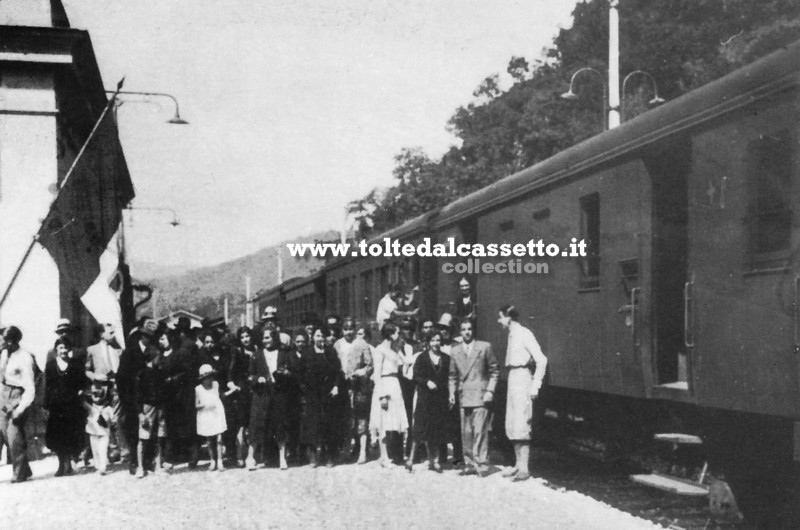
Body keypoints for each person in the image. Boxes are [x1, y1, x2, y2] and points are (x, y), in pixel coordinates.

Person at [498, 304, 547, 482]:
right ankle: (518, 465)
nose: (499, 321)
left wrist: (535, 386)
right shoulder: (511, 335)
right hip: (513, 377)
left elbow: (542, 360)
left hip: (523, 378)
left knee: (522, 422)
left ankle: (524, 468)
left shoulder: (524, 333)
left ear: (508, 318)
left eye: (500, 317)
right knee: (512, 422)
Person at [449, 320, 499, 477]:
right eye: (463, 329)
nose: (467, 332)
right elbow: (452, 376)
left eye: (469, 329)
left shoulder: (484, 347)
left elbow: (494, 370)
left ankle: (482, 463)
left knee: (480, 431)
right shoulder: (455, 351)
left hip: (480, 394)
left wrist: (490, 390)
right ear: (460, 332)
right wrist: (451, 392)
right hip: (464, 396)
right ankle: (470, 463)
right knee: (467, 432)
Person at [117, 318, 160, 474]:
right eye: (146, 336)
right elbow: (121, 378)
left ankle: (147, 461)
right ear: (141, 336)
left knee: (148, 430)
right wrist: (125, 399)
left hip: (148, 398)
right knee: (133, 430)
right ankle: (134, 461)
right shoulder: (129, 352)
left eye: (151, 337)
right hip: (131, 399)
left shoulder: (154, 352)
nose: (148, 339)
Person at [406, 331, 451, 473]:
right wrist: (426, 382)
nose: (436, 343)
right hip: (425, 398)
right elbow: (415, 376)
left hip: (439, 399)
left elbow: (449, 377)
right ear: (428, 342)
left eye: (438, 340)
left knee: (435, 430)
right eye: (433, 341)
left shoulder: (446, 358)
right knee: (419, 428)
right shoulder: (422, 357)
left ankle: (435, 461)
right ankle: (410, 459)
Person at [298, 326, 343, 467]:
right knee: (313, 424)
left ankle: (329, 455)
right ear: (313, 338)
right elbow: (301, 373)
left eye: (322, 336)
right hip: (313, 394)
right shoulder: (307, 353)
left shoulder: (330, 352)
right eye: (318, 336)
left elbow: (337, 372)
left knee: (328, 424)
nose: (320, 339)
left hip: (328, 393)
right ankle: (313, 456)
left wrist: (336, 386)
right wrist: (304, 390)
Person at [44, 336, 88, 477]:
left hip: (71, 404)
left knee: (70, 434)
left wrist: (80, 392)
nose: (63, 351)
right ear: (56, 350)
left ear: (69, 350)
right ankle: (60, 464)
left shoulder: (75, 364)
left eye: (66, 348)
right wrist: (45, 404)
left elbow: (82, 382)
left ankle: (68, 465)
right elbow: (48, 386)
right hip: (56, 405)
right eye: (61, 348)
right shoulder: (51, 365)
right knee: (57, 436)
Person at [334, 318, 374, 464]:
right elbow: (334, 364)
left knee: (361, 417)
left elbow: (370, 365)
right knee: (346, 419)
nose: (348, 332)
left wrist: (361, 372)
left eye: (351, 329)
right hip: (343, 386)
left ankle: (362, 451)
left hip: (359, 386)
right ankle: (346, 450)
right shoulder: (337, 344)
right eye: (345, 329)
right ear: (342, 330)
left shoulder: (362, 344)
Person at [369, 323, 409, 468]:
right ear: (391, 334)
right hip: (385, 385)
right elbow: (377, 374)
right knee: (383, 422)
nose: (399, 335)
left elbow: (406, 363)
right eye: (397, 333)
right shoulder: (380, 350)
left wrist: (400, 350)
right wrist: (382, 396)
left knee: (393, 421)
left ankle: (391, 454)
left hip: (395, 385)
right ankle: (383, 457)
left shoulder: (394, 349)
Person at [0, 326, 36, 482]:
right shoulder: (4, 354)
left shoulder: (25, 358)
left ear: (10, 341)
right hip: (4, 395)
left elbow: (30, 388)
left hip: (18, 395)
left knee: (14, 435)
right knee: (5, 434)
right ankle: (25, 468)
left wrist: (20, 409)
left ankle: (19, 473)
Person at [85, 323, 124, 463]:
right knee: (102, 420)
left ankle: (118, 449)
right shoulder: (92, 350)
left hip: (115, 387)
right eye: (110, 333)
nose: (113, 335)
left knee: (116, 418)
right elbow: (87, 370)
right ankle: (106, 451)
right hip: (101, 389)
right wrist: (95, 376)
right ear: (102, 334)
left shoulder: (118, 350)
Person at [159, 325, 196, 467]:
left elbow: (187, 372)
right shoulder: (160, 356)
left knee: (187, 425)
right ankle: (171, 457)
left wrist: (173, 379)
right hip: (168, 397)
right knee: (171, 427)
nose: (161, 342)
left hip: (182, 395)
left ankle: (192, 456)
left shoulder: (180, 353)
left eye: (163, 339)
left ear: (170, 338)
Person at [134, 347, 167, 478]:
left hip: (159, 407)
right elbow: (137, 396)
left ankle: (158, 465)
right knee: (144, 437)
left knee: (159, 437)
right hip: (147, 408)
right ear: (153, 357)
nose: (161, 360)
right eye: (159, 357)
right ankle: (140, 467)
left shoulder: (160, 373)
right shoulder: (142, 373)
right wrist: (140, 414)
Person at [227, 326, 255, 467]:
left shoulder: (256, 349)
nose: (245, 339)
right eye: (242, 337)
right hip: (242, 388)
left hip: (255, 388)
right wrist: (232, 382)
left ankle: (253, 454)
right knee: (242, 423)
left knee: (253, 422)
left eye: (247, 336)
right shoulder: (237, 351)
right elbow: (231, 369)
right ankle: (239, 454)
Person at [195, 364, 227, 471]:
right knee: (209, 440)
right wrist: (205, 404)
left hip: (217, 413)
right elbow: (196, 405)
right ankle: (212, 461)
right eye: (205, 379)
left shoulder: (216, 385)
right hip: (206, 415)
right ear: (202, 379)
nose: (208, 380)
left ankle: (220, 461)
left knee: (219, 439)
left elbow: (220, 396)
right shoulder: (198, 389)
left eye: (210, 378)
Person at [85, 384, 114, 475]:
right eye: (94, 396)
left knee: (102, 450)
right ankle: (98, 466)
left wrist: (110, 422)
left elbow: (112, 420)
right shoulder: (91, 407)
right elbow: (82, 403)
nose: (97, 398)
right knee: (95, 450)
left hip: (104, 433)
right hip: (93, 432)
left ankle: (102, 467)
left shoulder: (108, 408)